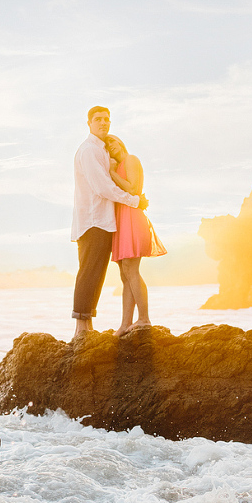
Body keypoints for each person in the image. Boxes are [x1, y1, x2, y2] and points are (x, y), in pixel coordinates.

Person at [72, 106, 146, 337]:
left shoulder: (102, 151)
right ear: (89, 123)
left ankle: (87, 325)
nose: (103, 123)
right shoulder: (89, 151)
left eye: (106, 120)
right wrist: (134, 201)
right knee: (89, 272)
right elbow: (102, 187)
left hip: (105, 221)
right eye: (98, 119)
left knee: (96, 273)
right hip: (94, 220)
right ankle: (81, 327)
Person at [105, 134, 166, 335]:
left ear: (120, 142)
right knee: (125, 275)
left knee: (131, 270)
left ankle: (144, 319)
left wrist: (112, 172)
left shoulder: (131, 159)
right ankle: (125, 324)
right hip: (122, 221)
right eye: (106, 145)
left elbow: (132, 189)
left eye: (112, 141)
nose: (110, 146)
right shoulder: (120, 164)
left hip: (132, 218)